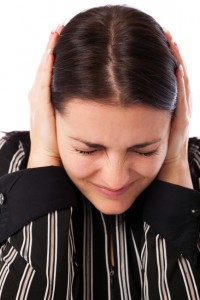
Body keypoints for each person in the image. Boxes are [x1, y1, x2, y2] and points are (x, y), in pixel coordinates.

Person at [0, 5, 200, 299]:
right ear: (49, 117)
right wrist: (43, 159)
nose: (115, 178)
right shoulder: (8, 164)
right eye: (86, 150)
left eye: (145, 150)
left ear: (174, 124)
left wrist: (174, 166)